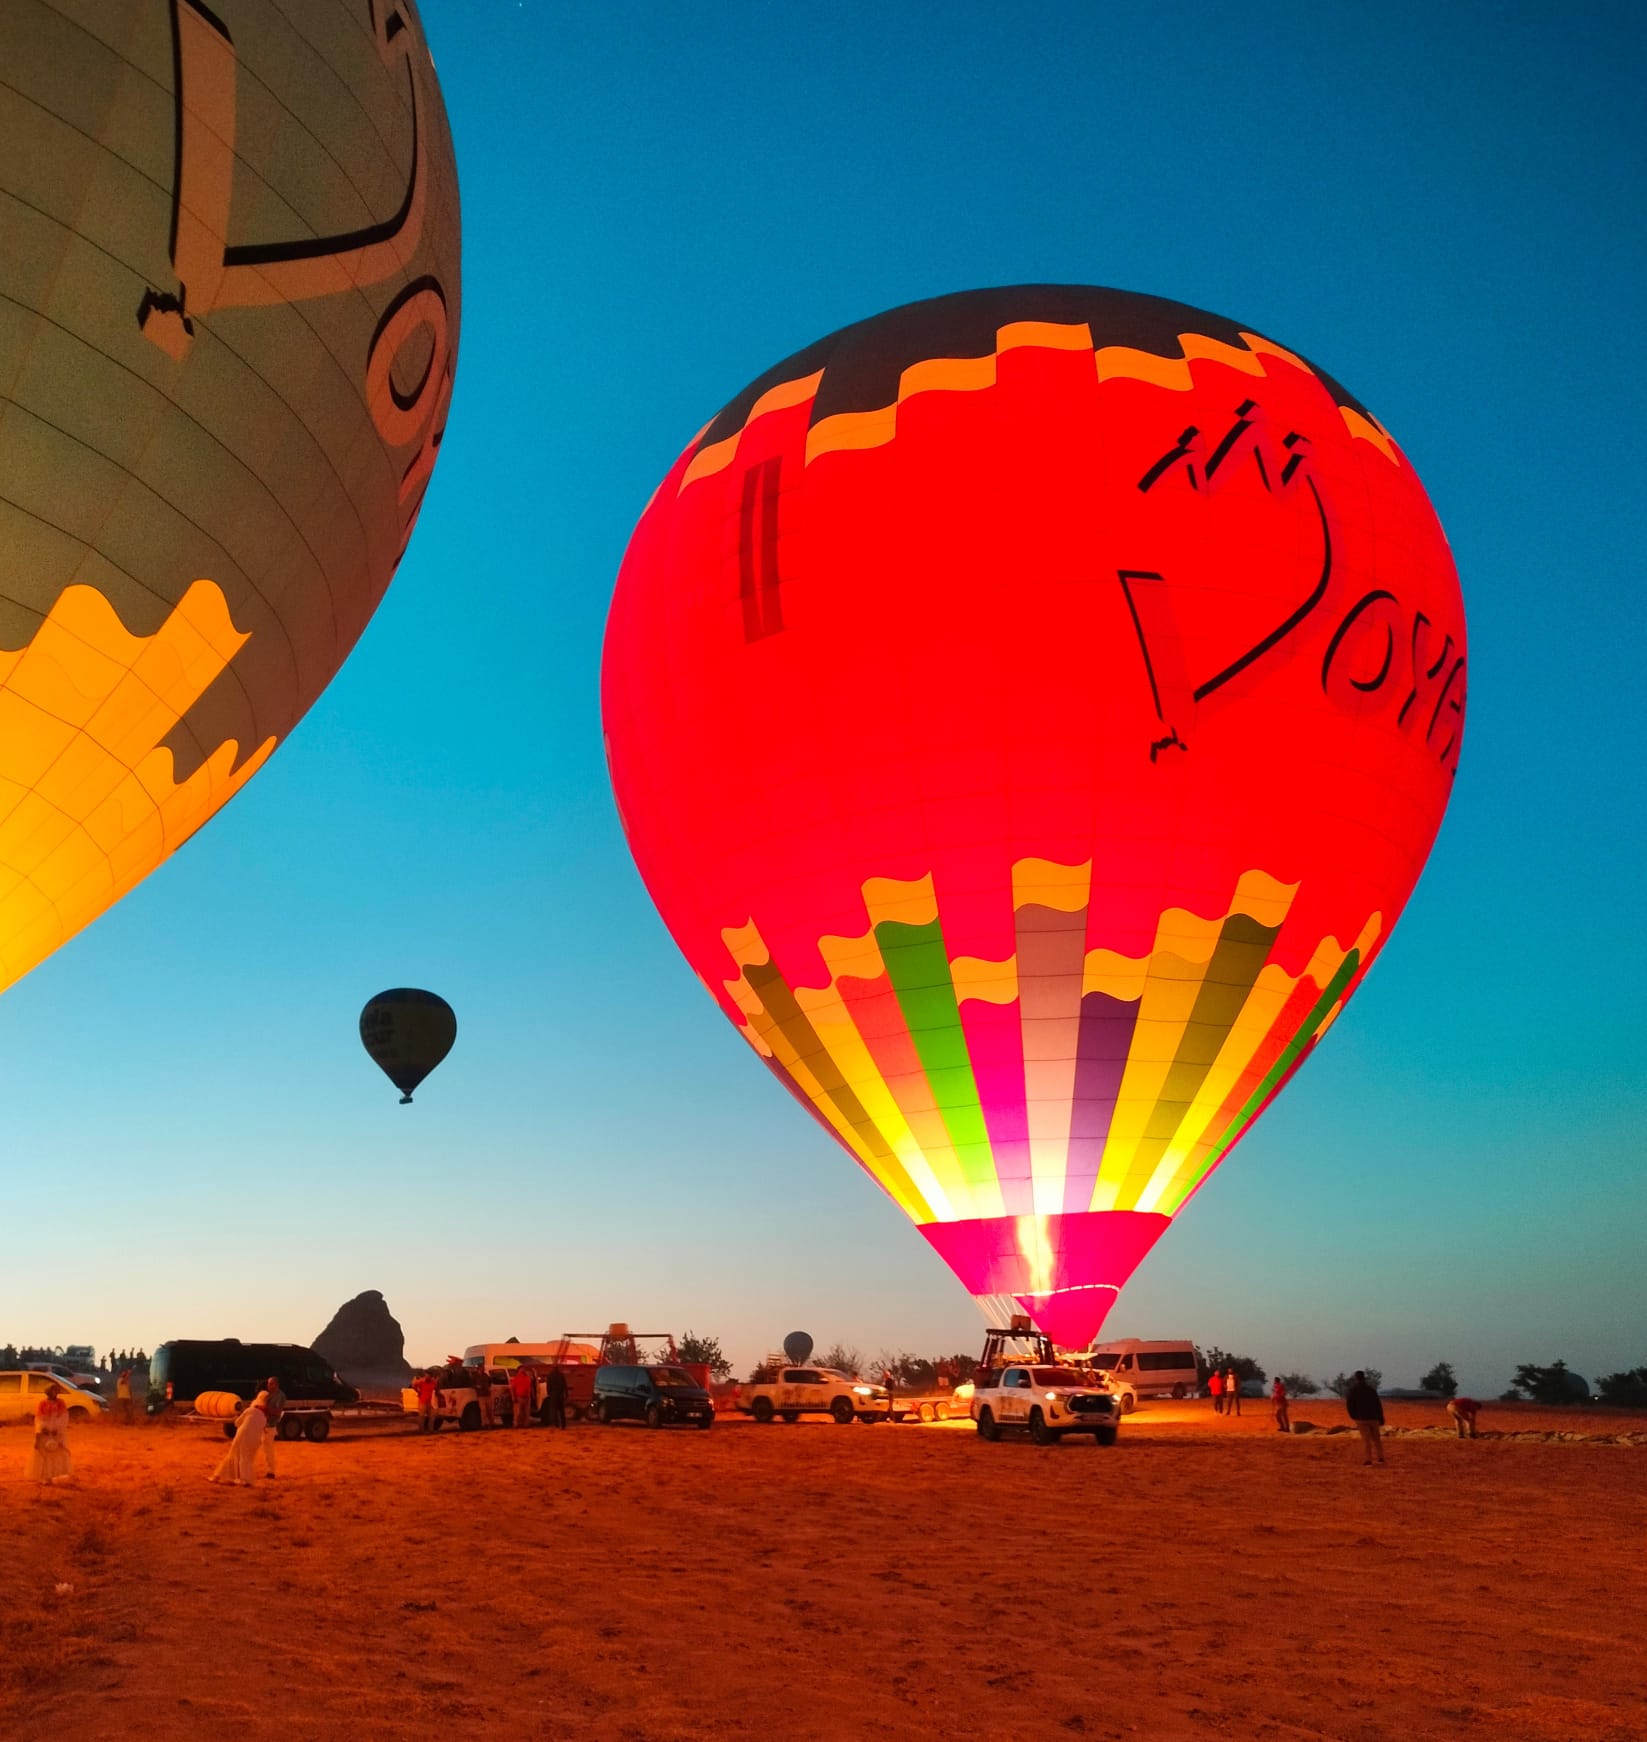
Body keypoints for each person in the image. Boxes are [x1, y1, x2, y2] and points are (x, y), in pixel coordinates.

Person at [210, 1392, 269, 1486]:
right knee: (247, 1458)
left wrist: (238, 1417)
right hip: (255, 1440)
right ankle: (245, 1478)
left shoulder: (250, 1410)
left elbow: (237, 1423)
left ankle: (221, 1476)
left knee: (234, 1455)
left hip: (242, 1436)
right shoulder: (264, 1418)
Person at [26, 1382, 74, 1485]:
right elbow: (39, 1418)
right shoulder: (42, 1403)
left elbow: (64, 1417)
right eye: (53, 1390)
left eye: (56, 1390)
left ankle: (53, 1475)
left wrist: (57, 1428)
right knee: (44, 1454)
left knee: (56, 1453)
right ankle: (44, 1476)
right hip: (45, 1433)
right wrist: (43, 1428)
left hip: (57, 1432)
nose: (55, 1392)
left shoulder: (61, 1403)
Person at [1344, 1370, 1385, 1465]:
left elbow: (1349, 1404)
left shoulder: (1353, 1390)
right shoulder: (1371, 1390)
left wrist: (1353, 1415)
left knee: (1366, 1440)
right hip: (1373, 1417)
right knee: (1376, 1438)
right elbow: (1378, 1404)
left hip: (1361, 1418)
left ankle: (1368, 1459)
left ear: (1356, 1378)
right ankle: (1381, 1457)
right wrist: (1381, 1416)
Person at [261, 1377, 285, 1476]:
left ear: (276, 1384)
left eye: (271, 1384)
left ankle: (271, 1471)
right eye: (268, 1384)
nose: (269, 1386)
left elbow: (278, 1412)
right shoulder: (267, 1394)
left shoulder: (280, 1396)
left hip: (270, 1426)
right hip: (262, 1425)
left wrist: (265, 1408)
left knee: (268, 1449)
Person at [509, 1363, 533, 1428]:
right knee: (518, 1412)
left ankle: (525, 1424)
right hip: (519, 1397)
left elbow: (530, 1386)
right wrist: (513, 1397)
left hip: (527, 1397)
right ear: (518, 1370)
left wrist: (531, 1394)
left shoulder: (527, 1378)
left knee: (526, 1412)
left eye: (524, 1369)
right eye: (521, 1369)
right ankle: (516, 1424)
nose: (523, 1370)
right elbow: (512, 1388)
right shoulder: (516, 1378)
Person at [545, 1363, 568, 1430]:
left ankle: (557, 1424)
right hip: (560, 1395)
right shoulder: (561, 1375)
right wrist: (566, 1394)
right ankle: (563, 1425)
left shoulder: (550, 1375)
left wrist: (549, 1393)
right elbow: (565, 1385)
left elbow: (548, 1386)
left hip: (553, 1395)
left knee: (554, 1410)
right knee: (561, 1411)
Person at [473, 1364, 495, 1428]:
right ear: (479, 1368)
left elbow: (490, 1382)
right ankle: (484, 1423)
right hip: (481, 1395)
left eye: (483, 1367)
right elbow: (472, 1384)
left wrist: (489, 1387)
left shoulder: (485, 1375)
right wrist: (477, 1386)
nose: (483, 1369)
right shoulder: (475, 1377)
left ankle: (492, 1423)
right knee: (483, 1410)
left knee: (490, 1410)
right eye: (482, 1367)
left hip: (487, 1394)